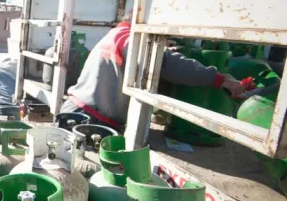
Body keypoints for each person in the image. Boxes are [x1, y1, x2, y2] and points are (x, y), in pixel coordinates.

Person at [60, 10, 246, 129]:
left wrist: (157, 48)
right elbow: (168, 64)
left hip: (80, 111)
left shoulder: (116, 34)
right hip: (88, 120)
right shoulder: (128, 38)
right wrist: (221, 79)